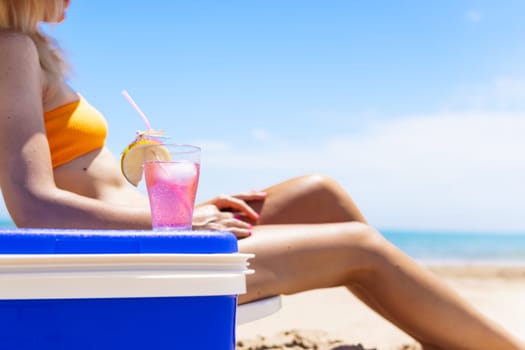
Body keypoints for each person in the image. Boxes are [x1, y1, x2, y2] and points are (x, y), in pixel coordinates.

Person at [0, 1, 523, 349]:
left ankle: (446, 331)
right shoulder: (9, 50)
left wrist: (192, 212)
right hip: (127, 263)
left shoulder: (31, 49)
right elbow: (33, 207)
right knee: (362, 249)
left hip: (147, 234)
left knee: (319, 194)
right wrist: (178, 227)